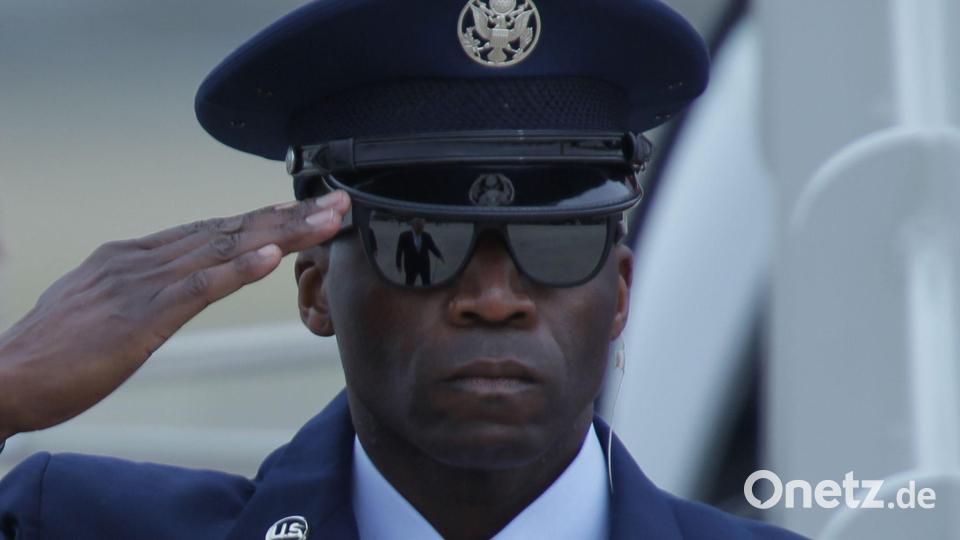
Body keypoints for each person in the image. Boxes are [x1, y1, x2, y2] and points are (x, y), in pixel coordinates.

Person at [0, 0, 809, 538]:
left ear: (622, 291)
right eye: (422, 241)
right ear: (315, 289)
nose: (494, 299)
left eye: (557, 240)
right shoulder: (66, 523)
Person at [396, 218, 445, 285]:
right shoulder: (404, 236)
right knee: (409, 284)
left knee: (426, 284)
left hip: (424, 265)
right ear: (413, 226)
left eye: (422, 227)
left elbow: (432, 247)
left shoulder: (426, 236)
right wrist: (398, 264)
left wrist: (440, 255)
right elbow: (399, 251)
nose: (421, 229)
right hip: (410, 266)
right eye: (419, 227)